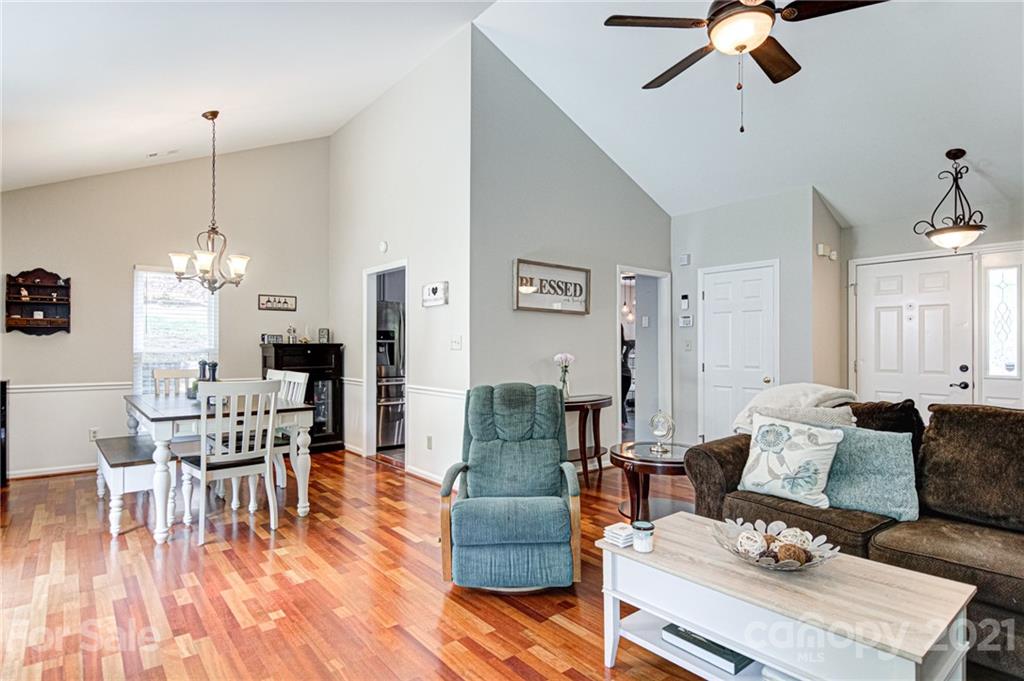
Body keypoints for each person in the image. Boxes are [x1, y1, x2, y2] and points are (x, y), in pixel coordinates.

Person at [620, 324, 634, 426]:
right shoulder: (626, 344)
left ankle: (621, 422)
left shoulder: (624, 345)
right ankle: (622, 422)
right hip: (626, 375)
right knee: (621, 399)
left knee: (621, 399)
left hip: (624, 375)